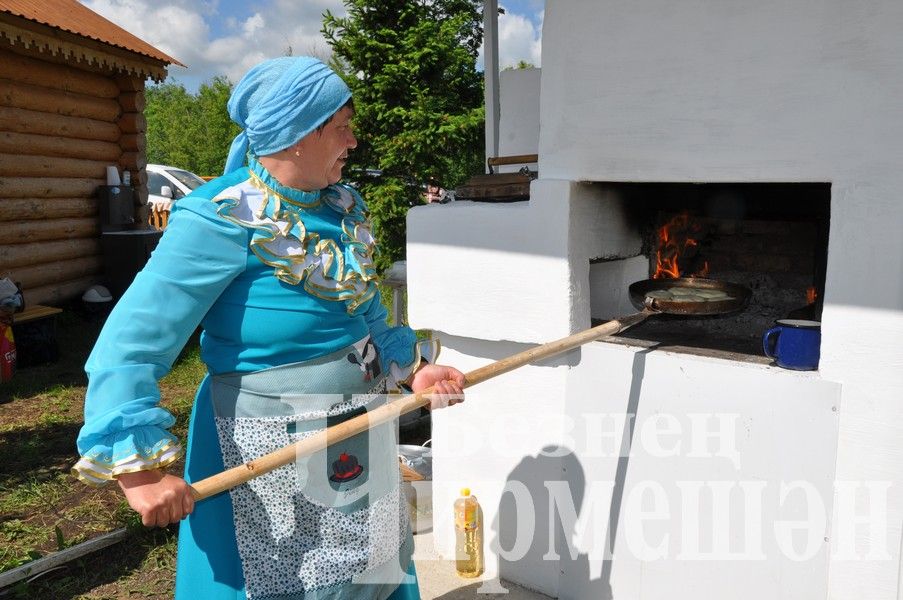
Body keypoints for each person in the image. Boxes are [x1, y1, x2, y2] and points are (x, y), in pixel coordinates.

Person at [73, 56, 466, 600]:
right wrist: (138, 470)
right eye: (342, 128)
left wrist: (413, 371)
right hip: (268, 445)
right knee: (302, 583)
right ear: (298, 134)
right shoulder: (221, 216)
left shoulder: (343, 207)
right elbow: (131, 344)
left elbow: (366, 308)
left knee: (373, 570)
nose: (353, 142)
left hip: (360, 428)